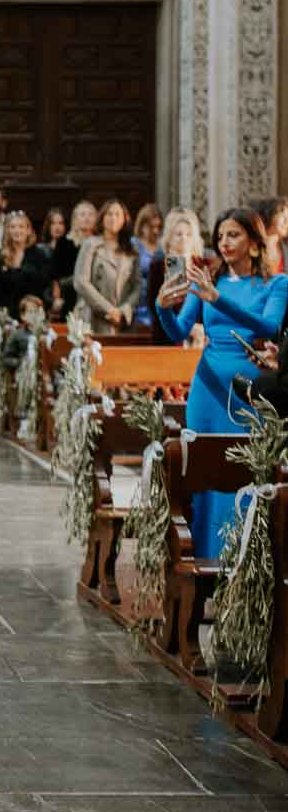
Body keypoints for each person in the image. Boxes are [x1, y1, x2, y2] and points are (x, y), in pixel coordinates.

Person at [157, 208, 288, 559]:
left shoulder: (276, 283)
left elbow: (269, 328)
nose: (224, 243)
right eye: (220, 237)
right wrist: (163, 309)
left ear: (255, 244)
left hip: (251, 390)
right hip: (208, 388)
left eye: (233, 235)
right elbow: (179, 333)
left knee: (246, 469)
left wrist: (218, 299)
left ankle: (243, 559)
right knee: (204, 470)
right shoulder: (208, 281)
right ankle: (201, 559)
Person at [73, 198, 140, 334]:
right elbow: (81, 282)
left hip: (121, 321)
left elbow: (137, 286)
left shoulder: (131, 250)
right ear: (102, 218)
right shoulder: (90, 245)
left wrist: (124, 310)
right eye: (109, 214)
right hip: (92, 317)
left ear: (124, 219)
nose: (113, 218)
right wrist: (109, 310)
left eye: (117, 214)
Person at [149, 207, 207, 346]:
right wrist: (187, 327)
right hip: (168, 338)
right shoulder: (159, 266)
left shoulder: (202, 265)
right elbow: (154, 305)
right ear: (169, 237)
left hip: (200, 339)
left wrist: (200, 327)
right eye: (178, 234)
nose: (184, 238)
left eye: (188, 234)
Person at [0, 210, 50, 315]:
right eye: (12, 227)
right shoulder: (0, 255)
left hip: (31, 311)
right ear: (7, 230)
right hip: (6, 312)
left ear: (28, 230)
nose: (17, 230)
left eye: (21, 227)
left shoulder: (39, 255)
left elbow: (43, 283)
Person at [132, 202, 164, 331]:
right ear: (142, 226)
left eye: (159, 227)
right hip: (139, 300)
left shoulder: (163, 246)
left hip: (157, 298)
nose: (155, 231)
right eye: (152, 227)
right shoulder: (134, 245)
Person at [37, 206, 71, 317]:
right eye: (53, 223)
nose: (57, 227)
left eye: (60, 223)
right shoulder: (40, 250)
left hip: (67, 299)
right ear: (48, 226)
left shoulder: (72, 248)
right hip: (44, 300)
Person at [257, 196, 288, 275]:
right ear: (268, 215)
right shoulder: (253, 247)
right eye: (283, 217)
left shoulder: (285, 249)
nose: (286, 222)